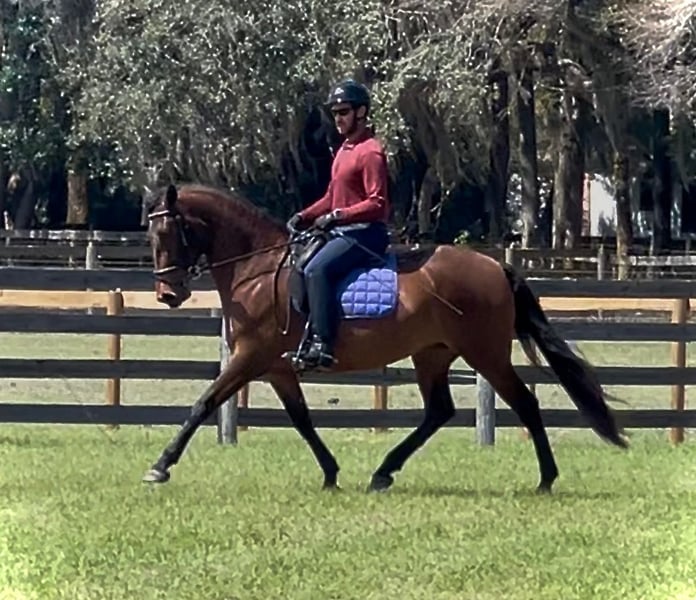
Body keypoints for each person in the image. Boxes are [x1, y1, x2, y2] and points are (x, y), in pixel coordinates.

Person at [286, 79, 391, 370]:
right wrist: (304, 215)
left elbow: (377, 203)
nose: (338, 118)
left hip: (367, 234)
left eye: (343, 112)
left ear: (361, 112)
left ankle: (323, 345)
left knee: (317, 269)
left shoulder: (370, 152)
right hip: (344, 231)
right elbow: (332, 196)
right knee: (302, 265)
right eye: (334, 113)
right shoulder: (344, 150)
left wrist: (337, 216)